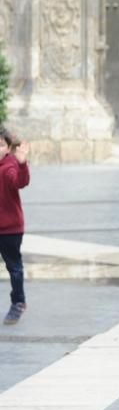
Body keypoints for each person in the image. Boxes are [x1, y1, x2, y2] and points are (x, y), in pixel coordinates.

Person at [0, 129, 29, 326]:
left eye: (1, 145)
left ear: (9, 148)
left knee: (14, 267)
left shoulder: (9, 165)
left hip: (10, 228)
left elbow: (19, 181)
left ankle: (18, 302)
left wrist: (22, 164)